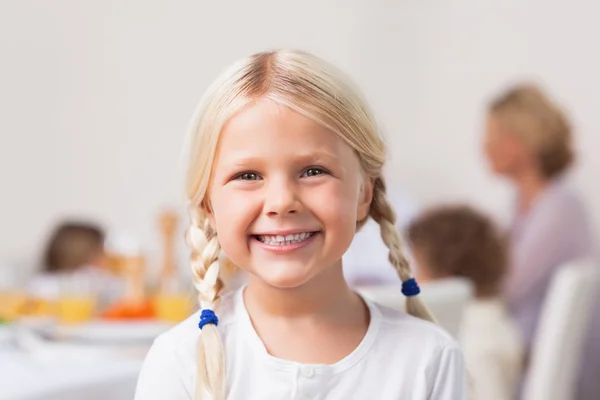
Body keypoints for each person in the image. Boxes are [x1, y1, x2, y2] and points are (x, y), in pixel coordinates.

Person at [135, 49, 466, 400]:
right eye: (248, 175)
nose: (281, 202)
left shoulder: (429, 359)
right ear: (209, 205)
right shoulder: (178, 361)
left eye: (313, 171)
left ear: (363, 194)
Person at [483, 83, 598, 398]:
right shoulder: (525, 205)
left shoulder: (560, 207)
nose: (485, 146)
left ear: (524, 140)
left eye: (494, 136)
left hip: (551, 366)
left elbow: (506, 285)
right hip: (527, 352)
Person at [408, 205, 524, 400]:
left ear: (446, 278)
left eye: (418, 269)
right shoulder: (490, 319)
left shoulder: (475, 344)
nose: (412, 280)